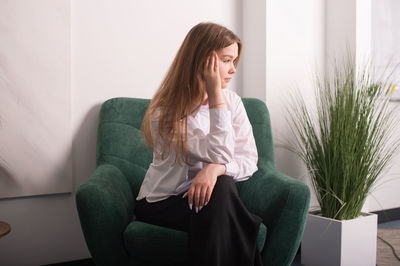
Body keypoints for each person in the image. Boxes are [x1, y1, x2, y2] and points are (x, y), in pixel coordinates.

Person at [135, 22, 263, 266]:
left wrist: (213, 169)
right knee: (229, 207)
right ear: (203, 60)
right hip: (163, 201)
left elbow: (249, 160)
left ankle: (241, 217)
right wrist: (215, 95)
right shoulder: (165, 111)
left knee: (222, 187)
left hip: (212, 197)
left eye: (234, 61)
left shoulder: (233, 102)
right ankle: (246, 219)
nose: (233, 70)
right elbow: (221, 151)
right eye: (226, 60)